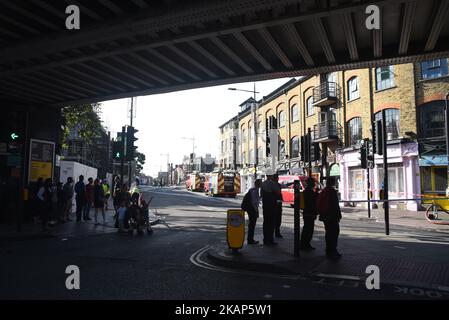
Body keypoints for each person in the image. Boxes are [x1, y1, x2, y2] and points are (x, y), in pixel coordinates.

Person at [317, 177, 342, 259]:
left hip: (325, 215)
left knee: (328, 233)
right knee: (334, 233)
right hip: (331, 215)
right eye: (334, 181)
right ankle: (333, 250)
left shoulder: (323, 191)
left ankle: (328, 250)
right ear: (331, 182)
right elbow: (335, 205)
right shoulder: (331, 191)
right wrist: (338, 215)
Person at [261, 169, 281, 246]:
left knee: (265, 222)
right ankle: (270, 239)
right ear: (271, 175)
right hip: (272, 205)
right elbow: (278, 192)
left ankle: (265, 239)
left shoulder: (263, 184)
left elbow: (261, 194)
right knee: (271, 223)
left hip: (265, 205)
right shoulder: (273, 184)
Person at [300, 177, 318, 251]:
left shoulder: (305, 191)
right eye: (313, 183)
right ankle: (305, 244)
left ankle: (305, 244)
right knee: (309, 229)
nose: (314, 184)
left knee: (307, 229)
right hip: (309, 213)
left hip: (307, 212)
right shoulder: (309, 192)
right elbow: (312, 202)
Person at [246, 179, 262, 244]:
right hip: (252, 210)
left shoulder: (252, 189)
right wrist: (256, 211)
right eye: (261, 183)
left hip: (250, 209)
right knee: (252, 225)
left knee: (251, 225)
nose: (261, 184)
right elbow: (254, 202)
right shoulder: (255, 191)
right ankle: (250, 240)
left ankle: (250, 239)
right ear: (258, 184)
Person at [273, 174, 283, 238]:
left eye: (278, 178)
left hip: (278, 204)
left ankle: (277, 232)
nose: (278, 179)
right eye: (276, 178)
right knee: (275, 219)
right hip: (274, 204)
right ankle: (275, 232)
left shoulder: (278, 185)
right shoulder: (272, 185)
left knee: (278, 219)